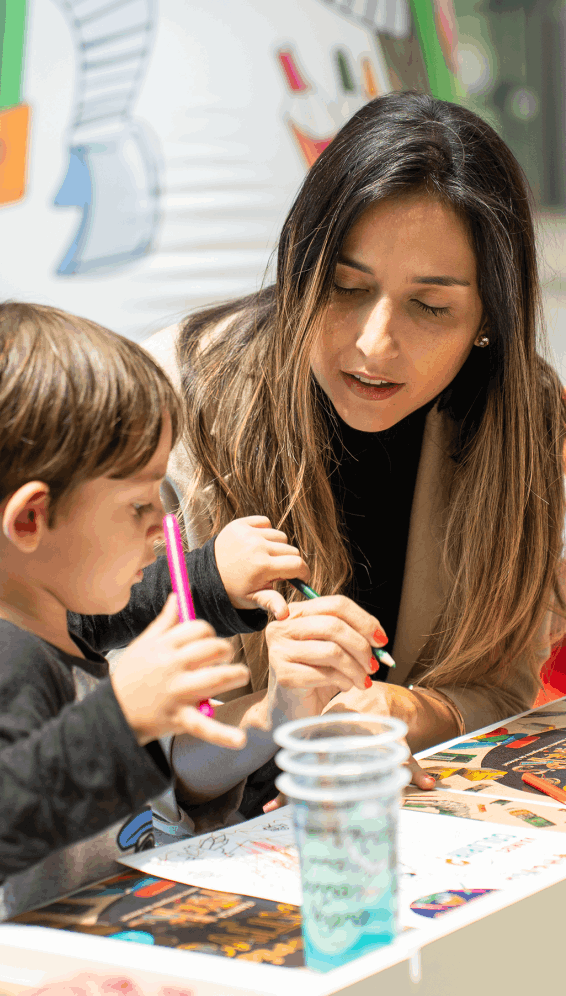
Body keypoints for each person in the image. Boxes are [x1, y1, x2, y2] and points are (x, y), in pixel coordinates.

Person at [144, 91, 566, 811]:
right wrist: (279, 716)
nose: (374, 344)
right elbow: (141, 758)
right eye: (344, 286)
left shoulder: (522, 418)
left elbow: (503, 685)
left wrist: (408, 714)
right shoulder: (176, 408)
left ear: (490, 317)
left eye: (431, 307)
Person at [0, 301, 363, 920]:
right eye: (136, 507)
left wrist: (211, 579)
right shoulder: (6, 658)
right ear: (29, 519)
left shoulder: (39, 609)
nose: (163, 524)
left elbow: (106, 618)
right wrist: (119, 720)